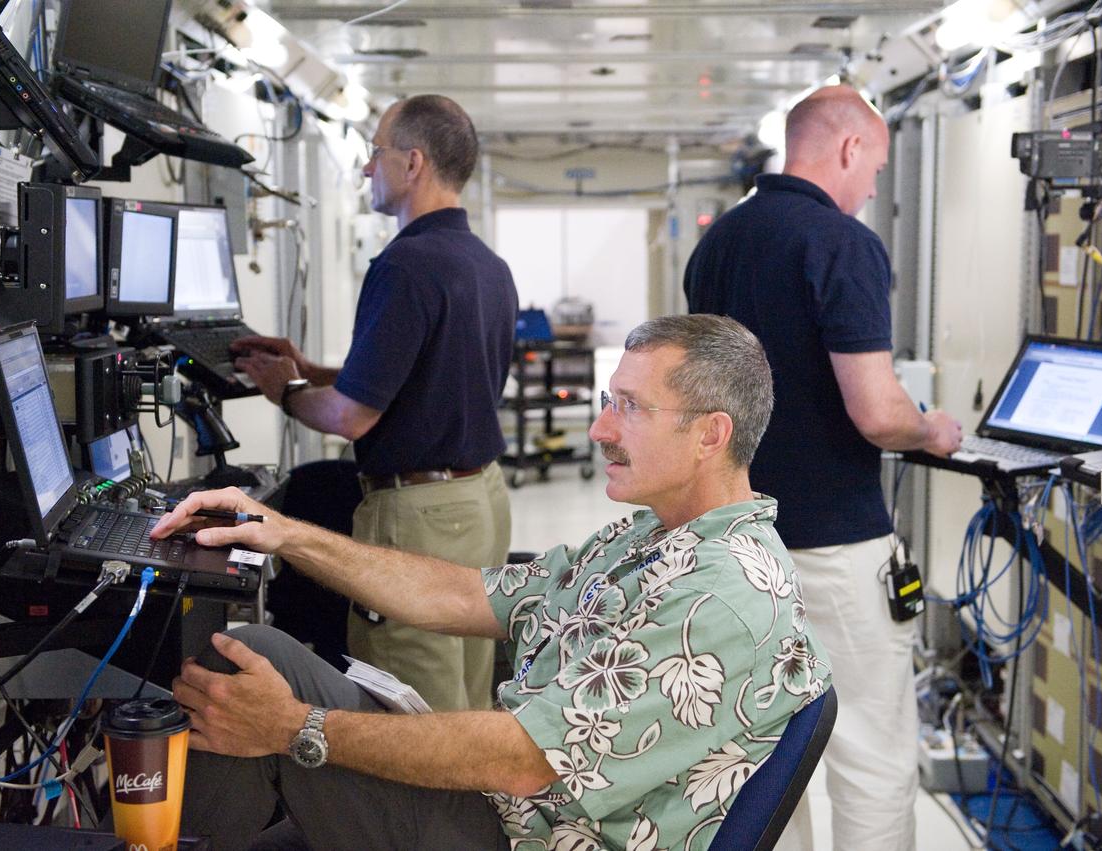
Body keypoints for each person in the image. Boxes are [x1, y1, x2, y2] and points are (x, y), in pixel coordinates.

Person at [153, 314, 831, 851]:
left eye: (630, 406)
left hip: (524, 833)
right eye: (607, 400)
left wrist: (299, 726)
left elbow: (523, 760)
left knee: (251, 671)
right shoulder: (652, 539)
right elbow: (462, 594)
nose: (599, 427)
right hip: (507, 811)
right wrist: (283, 531)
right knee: (257, 671)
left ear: (711, 435)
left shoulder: (719, 593)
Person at [683, 85, 963, 851]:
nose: (873, 186)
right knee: (869, 751)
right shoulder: (841, 244)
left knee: (763, 756)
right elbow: (876, 410)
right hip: (835, 548)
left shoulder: (719, 243)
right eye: (873, 165)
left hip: (735, 548)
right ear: (846, 149)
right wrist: (931, 428)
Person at [230, 94, 518, 712]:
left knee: (410, 702)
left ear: (411, 163)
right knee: (463, 691)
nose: (366, 169)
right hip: (479, 502)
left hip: (419, 516)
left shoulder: (406, 265)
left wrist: (285, 390)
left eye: (375, 153)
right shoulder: (485, 265)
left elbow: (350, 416)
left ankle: (416, 812)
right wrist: (310, 368)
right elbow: (427, 378)